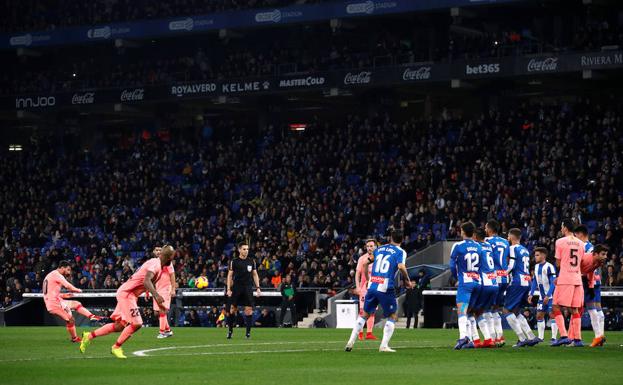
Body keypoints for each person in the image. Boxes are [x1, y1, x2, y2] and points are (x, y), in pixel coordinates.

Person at [79, 245, 175, 359]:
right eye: (173, 256)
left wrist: (157, 301)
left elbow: (145, 281)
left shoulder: (156, 264)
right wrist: (156, 295)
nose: (173, 259)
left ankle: (88, 336)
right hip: (127, 294)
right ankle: (116, 347)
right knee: (137, 323)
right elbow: (146, 281)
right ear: (169, 257)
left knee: (120, 326)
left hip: (128, 293)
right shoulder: (156, 264)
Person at [345, 229, 413, 353]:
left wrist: (368, 279)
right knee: (392, 315)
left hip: (372, 285)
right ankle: (384, 346)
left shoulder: (379, 249)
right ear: (402, 240)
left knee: (364, 315)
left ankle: (350, 342)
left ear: (390, 238)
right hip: (385, 287)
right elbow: (401, 266)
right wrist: (407, 280)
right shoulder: (400, 252)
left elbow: (366, 263)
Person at [43, 260, 102, 342]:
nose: (69, 272)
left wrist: (63, 295)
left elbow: (48, 293)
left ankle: (92, 316)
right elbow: (67, 285)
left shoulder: (51, 275)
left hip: (55, 300)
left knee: (76, 304)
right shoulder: (56, 274)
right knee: (71, 320)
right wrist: (77, 290)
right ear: (62, 268)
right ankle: (74, 338)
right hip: (55, 303)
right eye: (68, 269)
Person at [551, 219, 587, 347]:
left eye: (561, 226)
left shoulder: (560, 242)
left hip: (565, 278)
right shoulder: (581, 243)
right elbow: (582, 262)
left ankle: (564, 336)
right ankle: (577, 339)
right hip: (577, 278)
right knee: (574, 309)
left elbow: (559, 263)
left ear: (565, 228)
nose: (561, 229)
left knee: (555, 306)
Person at [502, 228, 538, 347]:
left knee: (506, 310)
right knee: (516, 311)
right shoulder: (525, 250)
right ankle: (531, 337)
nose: (507, 238)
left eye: (508, 236)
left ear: (512, 237)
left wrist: (502, 274)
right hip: (526, 280)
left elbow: (511, 265)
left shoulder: (512, 248)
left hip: (517, 281)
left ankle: (522, 338)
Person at [449, 222, 482, 350]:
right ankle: (472, 339)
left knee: (462, 310)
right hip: (477, 282)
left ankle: (463, 337)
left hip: (465, 282)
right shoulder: (479, 247)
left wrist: (457, 277)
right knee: (471, 312)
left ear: (462, 231)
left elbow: (452, 265)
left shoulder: (458, 246)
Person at [574, 225, 606, 347]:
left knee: (589, 308)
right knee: (598, 308)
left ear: (580, 235)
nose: (575, 239)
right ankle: (600, 336)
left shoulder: (582, 247)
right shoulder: (593, 247)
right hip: (595, 280)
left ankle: (597, 336)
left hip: (586, 280)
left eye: (576, 236)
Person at [226, 241, 261, 339]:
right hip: (237, 287)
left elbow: (255, 274)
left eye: (247, 249)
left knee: (248, 311)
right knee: (232, 309)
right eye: (244, 249)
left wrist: (258, 288)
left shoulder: (251, 261)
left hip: (248, 288)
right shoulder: (234, 261)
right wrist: (228, 289)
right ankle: (230, 331)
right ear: (239, 250)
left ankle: (248, 333)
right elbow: (229, 276)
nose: (246, 251)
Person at [471, 227, 498, 348]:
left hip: (484, 283)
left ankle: (476, 340)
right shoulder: (489, 246)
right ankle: (490, 339)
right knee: (484, 311)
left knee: (470, 312)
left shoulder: (476, 247)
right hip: (494, 283)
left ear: (475, 237)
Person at [485, 219, 509, 346]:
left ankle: (492, 338)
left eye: (485, 228)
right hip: (504, 277)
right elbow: (507, 259)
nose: (484, 230)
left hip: (493, 278)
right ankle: (500, 337)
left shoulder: (487, 241)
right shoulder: (505, 242)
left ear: (489, 229)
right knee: (496, 309)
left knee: (487, 309)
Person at [527, 247, 557, 342]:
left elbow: (553, 283)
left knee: (552, 315)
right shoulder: (536, 267)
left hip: (551, 296)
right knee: (539, 316)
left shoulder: (549, 267)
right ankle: (540, 337)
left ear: (543, 255)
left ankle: (554, 338)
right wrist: (531, 293)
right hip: (541, 296)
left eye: (537, 255)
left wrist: (548, 295)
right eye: (535, 255)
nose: (535, 257)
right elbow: (535, 281)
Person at [354, 239, 378, 340]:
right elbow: (357, 273)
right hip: (365, 287)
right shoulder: (362, 258)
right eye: (368, 246)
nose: (369, 248)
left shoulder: (379, 258)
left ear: (376, 247)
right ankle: (360, 333)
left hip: (375, 287)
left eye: (371, 246)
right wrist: (358, 287)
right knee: (362, 311)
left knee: (372, 311)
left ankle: (369, 333)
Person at [153, 257, 176, 338]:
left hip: (166, 289)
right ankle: (168, 330)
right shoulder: (154, 262)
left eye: (160, 250)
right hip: (157, 289)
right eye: (156, 250)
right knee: (156, 313)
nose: (158, 251)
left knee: (162, 310)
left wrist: (173, 289)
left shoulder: (168, 262)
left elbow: (172, 275)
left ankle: (162, 332)